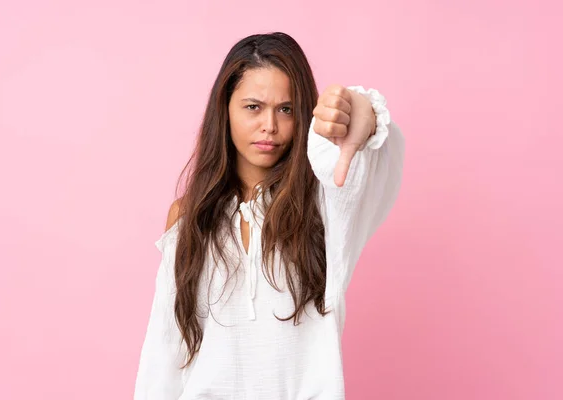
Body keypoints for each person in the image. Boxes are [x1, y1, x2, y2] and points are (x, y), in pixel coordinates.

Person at [134, 31, 405, 399]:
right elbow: (165, 349)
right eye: (253, 107)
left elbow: (377, 160)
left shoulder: (325, 206)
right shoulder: (188, 217)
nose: (270, 126)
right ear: (224, 109)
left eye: (286, 109)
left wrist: (356, 109)